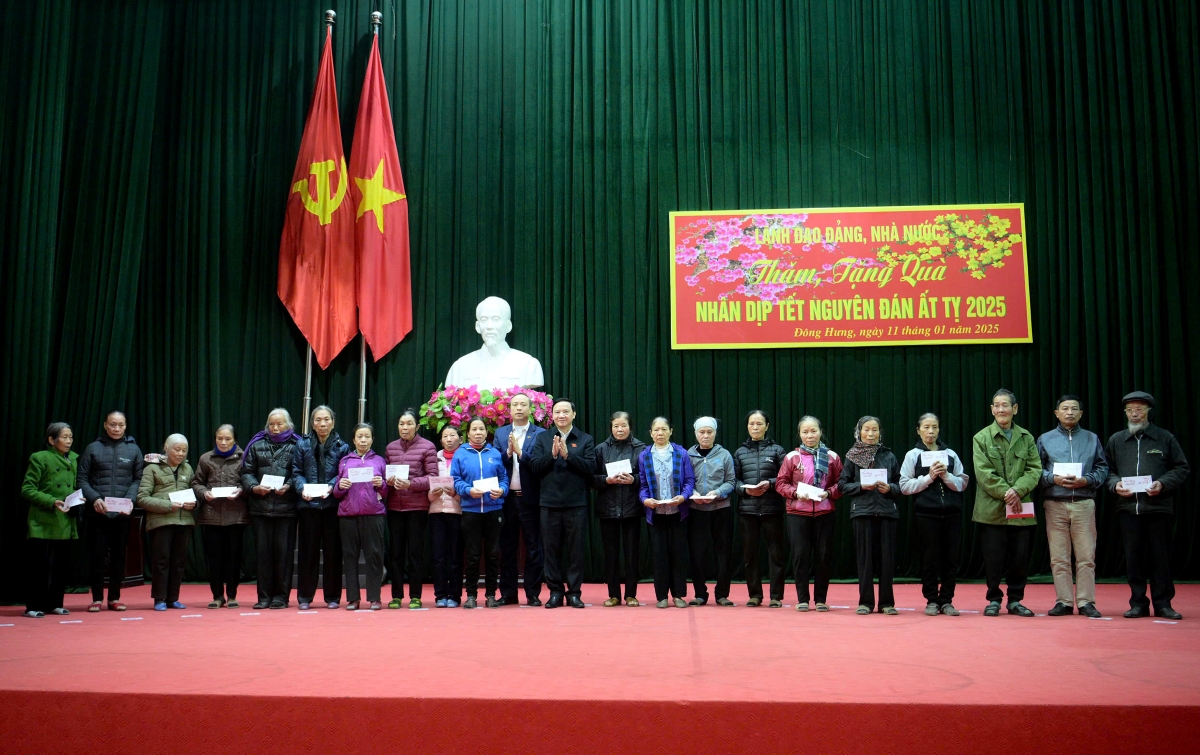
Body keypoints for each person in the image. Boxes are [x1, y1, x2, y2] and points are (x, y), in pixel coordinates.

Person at [1105, 391, 1190, 620]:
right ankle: (1138, 603)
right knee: (1133, 557)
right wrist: (1115, 484)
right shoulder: (1116, 440)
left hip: (1158, 508)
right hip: (1127, 508)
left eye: (1139, 409)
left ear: (1148, 412)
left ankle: (1163, 604)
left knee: (1160, 558)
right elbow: (1107, 470)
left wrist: (1163, 483)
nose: (1134, 414)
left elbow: (1181, 467)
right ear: (1125, 413)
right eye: (1130, 410)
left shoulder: (1164, 438)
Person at [971, 389, 1042, 617]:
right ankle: (993, 599)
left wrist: (1018, 490)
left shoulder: (1026, 437)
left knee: (1019, 558)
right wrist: (1007, 492)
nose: (1001, 409)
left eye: (1005, 405)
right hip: (991, 510)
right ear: (992, 409)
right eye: (997, 405)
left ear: (1015, 409)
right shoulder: (981, 438)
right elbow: (984, 473)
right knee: (993, 559)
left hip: (1021, 508)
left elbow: (1034, 469)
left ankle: (1015, 600)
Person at [1036, 396, 1109, 618]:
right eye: (1065, 408)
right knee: (1059, 558)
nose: (1069, 412)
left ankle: (1086, 602)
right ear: (1056, 413)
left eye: (1074, 409)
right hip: (1055, 503)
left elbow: (1102, 467)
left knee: (1086, 557)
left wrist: (1087, 480)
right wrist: (1053, 479)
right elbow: (1035, 470)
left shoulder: (1091, 438)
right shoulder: (1045, 439)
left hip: (1084, 503)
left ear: (1081, 414)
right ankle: (1064, 601)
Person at [527, 398, 596, 608]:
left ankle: (574, 593)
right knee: (551, 551)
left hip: (576, 504)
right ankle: (555, 592)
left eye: (566, 411)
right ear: (552, 415)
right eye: (557, 412)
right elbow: (534, 467)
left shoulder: (585, 439)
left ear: (574, 414)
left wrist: (568, 456)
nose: (561, 415)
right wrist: (552, 455)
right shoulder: (543, 438)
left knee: (576, 551)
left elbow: (591, 468)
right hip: (549, 504)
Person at [900, 413, 971, 616]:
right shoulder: (912, 455)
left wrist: (946, 476)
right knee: (929, 558)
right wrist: (929, 478)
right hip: (926, 514)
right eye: (926, 427)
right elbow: (904, 486)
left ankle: (947, 600)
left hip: (952, 514)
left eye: (934, 427)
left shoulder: (950, 454)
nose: (931, 431)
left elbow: (962, 483)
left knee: (951, 559)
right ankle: (931, 599)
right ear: (918, 430)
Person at [77, 410, 143, 612]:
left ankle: (114, 598)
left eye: (121, 425)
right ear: (105, 425)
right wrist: (95, 499)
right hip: (97, 513)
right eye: (113, 424)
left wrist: (130, 500)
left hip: (122, 514)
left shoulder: (134, 450)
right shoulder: (92, 448)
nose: (117, 428)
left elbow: (138, 479)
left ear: (125, 426)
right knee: (97, 556)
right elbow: (81, 479)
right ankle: (97, 598)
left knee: (118, 556)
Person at [776, 416, 843, 612]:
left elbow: (842, 483)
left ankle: (821, 599)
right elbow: (780, 483)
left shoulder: (832, 457)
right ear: (800, 434)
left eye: (813, 431)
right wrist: (796, 493)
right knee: (800, 556)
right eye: (805, 432)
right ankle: (803, 599)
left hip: (825, 513)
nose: (810, 435)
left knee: (823, 556)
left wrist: (828, 493)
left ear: (821, 432)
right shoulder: (791, 457)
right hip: (797, 513)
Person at [839, 416, 903, 615]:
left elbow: (901, 485)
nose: (870, 434)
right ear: (859, 432)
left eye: (874, 430)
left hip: (887, 512)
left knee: (887, 560)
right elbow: (842, 485)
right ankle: (866, 602)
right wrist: (861, 486)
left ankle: (886, 603)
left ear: (880, 432)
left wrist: (890, 488)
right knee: (864, 560)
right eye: (866, 429)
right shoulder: (852, 456)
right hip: (862, 512)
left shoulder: (889, 456)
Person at [240, 408, 300, 610]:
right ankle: (263, 597)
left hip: (287, 509)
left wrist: (289, 486)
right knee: (263, 555)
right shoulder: (256, 445)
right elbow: (246, 472)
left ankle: (281, 597)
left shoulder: (297, 445)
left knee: (283, 555)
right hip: (260, 508)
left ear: (288, 425)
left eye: (279, 424)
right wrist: (253, 487)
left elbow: (300, 472)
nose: (275, 428)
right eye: (271, 424)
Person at [292, 406, 350, 610]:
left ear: (333, 423)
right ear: (312, 423)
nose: (322, 424)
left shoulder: (343, 446)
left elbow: (343, 473)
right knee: (307, 552)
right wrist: (301, 489)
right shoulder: (302, 444)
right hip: (308, 506)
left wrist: (331, 487)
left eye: (326, 420)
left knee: (333, 552)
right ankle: (305, 597)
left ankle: (333, 597)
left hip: (332, 506)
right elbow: (297, 472)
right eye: (318, 420)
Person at [20, 423, 79, 618]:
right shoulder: (40, 458)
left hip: (65, 519)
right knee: (39, 566)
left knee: (61, 566)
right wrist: (52, 501)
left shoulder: (73, 459)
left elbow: (70, 487)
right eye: (64, 437)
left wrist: (77, 499)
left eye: (70, 437)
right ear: (51, 440)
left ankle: (55, 603)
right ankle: (33, 606)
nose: (69, 441)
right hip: (43, 520)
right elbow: (27, 489)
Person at [494, 392, 546, 606]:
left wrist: (521, 453)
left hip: (530, 499)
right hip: (507, 500)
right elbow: (494, 462)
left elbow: (542, 463)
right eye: (515, 404)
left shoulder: (540, 434)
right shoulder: (501, 433)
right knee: (507, 547)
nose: (519, 408)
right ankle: (508, 593)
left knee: (534, 547)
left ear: (530, 408)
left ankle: (533, 593)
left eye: (523, 404)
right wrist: (508, 453)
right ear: (509, 409)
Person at [451, 418, 509, 608]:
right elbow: (456, 480)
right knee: (473, 555)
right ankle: (471, 595)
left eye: (481, 429)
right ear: (468, 433)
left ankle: (491, 594)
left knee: (493, 555)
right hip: (471, 511)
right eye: (474, 429)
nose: (478, 432)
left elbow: (504, 478)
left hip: (494, 510)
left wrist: (502, 490)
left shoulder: (495, 453)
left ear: (486, 432)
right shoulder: (460, 454)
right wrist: (468, 490)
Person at [639, 417, 695, 608]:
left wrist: (683, 497)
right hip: (655, 514)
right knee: (659, 555)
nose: (660, 433)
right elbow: (643, 485)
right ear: (650, 433)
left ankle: (679, 595)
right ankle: (661, 596)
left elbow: (689, 481)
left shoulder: (681, 453)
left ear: (671, 431)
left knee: (678, 554)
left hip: (678, 512)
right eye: (656, 430)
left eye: (664, 429)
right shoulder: (644, 456)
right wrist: (645, 500)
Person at [384, 409, 438, 609]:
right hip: (394, 508)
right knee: (396, 554)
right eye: (401, 424)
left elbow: (432, 477)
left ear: (417, 426)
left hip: (417, 508)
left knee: (415, 554)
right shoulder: (391, 448)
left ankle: (415, 595)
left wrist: (410, 484)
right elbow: (385, 475)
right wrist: (388, 481)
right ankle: (396, 596)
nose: (404, 427)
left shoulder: (427, 446)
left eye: (409, 424)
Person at [591, 411, 646, 606]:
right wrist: (606, 480)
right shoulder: (600, 449)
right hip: (608, 508)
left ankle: (631, 594)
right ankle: (613, 594)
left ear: (630, 427)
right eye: (616, 426)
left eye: (623, 425)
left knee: (632, 554)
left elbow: (648, 477)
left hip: (632, 507)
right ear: (611, 428)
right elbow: (591, 479)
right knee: (611, 554)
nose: (620, 429)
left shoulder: (641, 449)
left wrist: (634, 480)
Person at [137, 434, 197, 611]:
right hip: (161, 522)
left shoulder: (188, 468)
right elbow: (142, 498)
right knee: (161, 560)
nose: (181, 454)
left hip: (184, 521)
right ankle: (159, 598)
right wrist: (167, 505)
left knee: (179, 562)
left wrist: (194, 504)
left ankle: (173, 598)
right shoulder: (152, 469)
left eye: (184, 450)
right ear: (166, 448)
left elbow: (194, 493)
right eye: (177, 449)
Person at [192, 425, 250, 608]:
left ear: (235, 440)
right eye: (220, 438)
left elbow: (249, 482)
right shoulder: (205, 458)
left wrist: (241, 490)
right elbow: (196, 482)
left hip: (236, 515)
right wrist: (204, 493)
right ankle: (217, 596)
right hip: (211, 515)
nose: (223, 442)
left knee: (234, 558)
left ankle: (232, 595)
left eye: (228, 439)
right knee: (214, 558)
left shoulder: (244, 457)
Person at [734, 410, 787, 607]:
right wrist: (745, 490)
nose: (755, 427)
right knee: (750, 555)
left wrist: (770, 484)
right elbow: (734, 481)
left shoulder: (778, 451)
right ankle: (755, 595)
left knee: (776, 555)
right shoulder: (739, 452)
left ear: (767, 426)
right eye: (751, 424)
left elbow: (785, 478)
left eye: (759, 424)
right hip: (747, 510)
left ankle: (776, 596)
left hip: (772, 509)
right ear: (747, 426)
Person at [333, 423, 388, 611]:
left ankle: (374, 598)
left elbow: (386, 492)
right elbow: (336, 492)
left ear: (372, 439)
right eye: (359, 437)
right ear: (353, 440)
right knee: (350, 557)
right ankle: (353, 598)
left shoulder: (379, 461)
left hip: (374, 514)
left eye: (367, 437)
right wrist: (341, 486)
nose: (363, 440)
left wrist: (381, 484)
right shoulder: (344, 461)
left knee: (374, 556)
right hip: (348, 515)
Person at [687, 417, 737, 607]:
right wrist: (693, 493)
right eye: (702, 432)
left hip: (721, 509)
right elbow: (685, 480)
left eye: (710, 432)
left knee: (723, 553)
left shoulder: (724, 455)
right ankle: (700, 594)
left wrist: (717, 492)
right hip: (696, 510)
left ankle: (722, 594)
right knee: (697, 553)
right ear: (696, 433)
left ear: (715, 433)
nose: (706, 436)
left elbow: (731, 481)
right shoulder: (688, 455)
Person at [445, 296, 545, 388]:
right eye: (484, 320)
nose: (489, 326)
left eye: (495, 319)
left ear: (508, 325)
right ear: (477, 326)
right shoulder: (460, 367)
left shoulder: (528, 365)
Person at [428, 425, 464, 607]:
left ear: (461, 439)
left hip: (458, 511)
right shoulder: (434, 458)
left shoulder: (465, 456)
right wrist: (432, 493)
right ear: (441, 440)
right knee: (438, 556)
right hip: (436, 511)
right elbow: (427, 485)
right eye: (445, 436)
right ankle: (440, 595)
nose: (449, 439)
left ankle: (455, 595)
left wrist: (455, 494)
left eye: (452, 435)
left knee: (455, 556)